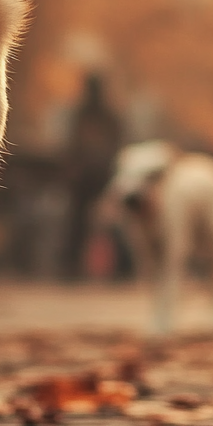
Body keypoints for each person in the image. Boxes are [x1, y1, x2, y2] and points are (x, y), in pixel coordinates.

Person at [61, 73, 124, 280]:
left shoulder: (103, 117)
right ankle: (72, 266)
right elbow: (74, 146)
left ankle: (118, 268)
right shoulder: (87, 116)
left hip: (101, 176)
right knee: (78, 223)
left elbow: (115, 146)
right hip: (89, 177)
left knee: (109, 223)